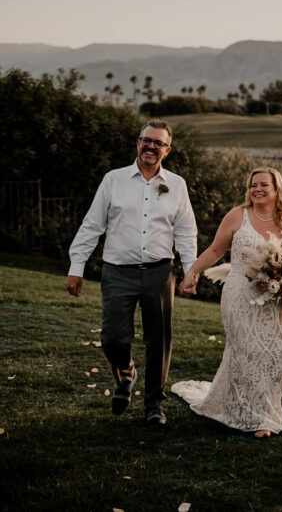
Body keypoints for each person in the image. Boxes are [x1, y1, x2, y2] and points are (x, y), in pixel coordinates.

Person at [65, 119, 197, 427]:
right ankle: (125, 374)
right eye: (145, 140)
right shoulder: (114, 179)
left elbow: (186, 231)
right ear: (138, 143)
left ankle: (154, 406)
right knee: (113, 337)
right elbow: (93, 225)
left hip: (159, 273)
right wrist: (76, 266)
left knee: (159, 341)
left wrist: (190, 271)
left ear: (167, 149)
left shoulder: (176, 184)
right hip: (117, 272)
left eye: (158, 142)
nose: (150, 146)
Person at [172, 168, 282, 438]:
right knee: (246, 352)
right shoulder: (238, 216)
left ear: (276, 189)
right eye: (252, 185)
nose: (256, 190)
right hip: (241, 296)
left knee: (278, 357)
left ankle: (256, 407)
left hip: (281, 299)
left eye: (263, 185)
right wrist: (192, 272)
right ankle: (261, 419)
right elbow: (215, 249)